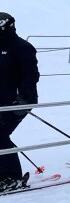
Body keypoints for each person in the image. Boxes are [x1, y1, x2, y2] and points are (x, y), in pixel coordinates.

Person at [0, 13, 39, 191]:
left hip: (19, 101)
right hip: (2, 101)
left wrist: (22, 99)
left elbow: (31, 76)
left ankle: (13, 178)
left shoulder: (22, 48)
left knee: (0, 135)